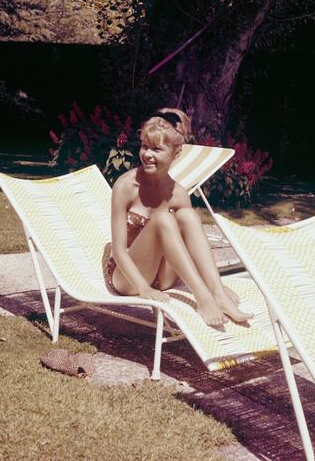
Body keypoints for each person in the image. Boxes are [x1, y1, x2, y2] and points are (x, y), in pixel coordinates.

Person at [104, 108, 253, 326]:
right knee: (163, 219)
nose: (147, 154)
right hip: (128, 275)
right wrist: (144, 289)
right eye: (145, 146)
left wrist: (210, 282)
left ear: (176, 153)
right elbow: (118, 251)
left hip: (163, 277)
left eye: (157, 149)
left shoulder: (179, 193)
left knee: (189, 216)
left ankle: (216, 291)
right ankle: (203, 298)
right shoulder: (125, 187)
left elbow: (188, 246)